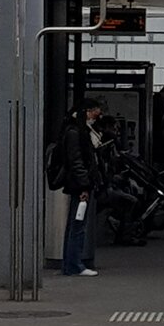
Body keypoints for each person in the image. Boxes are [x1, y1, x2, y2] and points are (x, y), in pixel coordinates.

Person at [59, 98, 103, 277]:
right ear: (86, 112)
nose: (96, 117)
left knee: (75, 224)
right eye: (94, 113)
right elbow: (77, 161)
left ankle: (71, 263)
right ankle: (74, 264)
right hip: (80, 185)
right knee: (78, 225)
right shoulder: (76, 133)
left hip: (78, 182)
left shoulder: (73, 130)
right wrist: (84, 185)